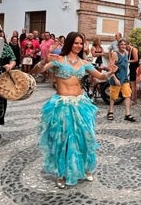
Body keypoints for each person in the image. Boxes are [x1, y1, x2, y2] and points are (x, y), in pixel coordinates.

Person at [30, 31, 112, 188]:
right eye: (76, 43)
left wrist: (110, 72)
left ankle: (86, 169)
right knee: (62, 140)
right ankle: (61, 173)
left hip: (80, 104)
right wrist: (43, 61)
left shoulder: (84, 62)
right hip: (62, 104)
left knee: (85, 137)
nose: (78, 45)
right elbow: (36, 72)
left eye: (81, 43)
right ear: (69, 43)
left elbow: (100, 77)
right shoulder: (58, 59)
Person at [107, 38, 136, 122]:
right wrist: (115, 79)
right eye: (121, 44)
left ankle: (127, 114)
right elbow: (111, 68)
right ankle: (111, 112)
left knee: (127, 95)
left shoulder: (127, 53)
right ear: (118, 45)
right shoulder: (115, 54)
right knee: (113, 97)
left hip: (124, 78)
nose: (123, 46)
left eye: (125, 44)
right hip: (116, 78)